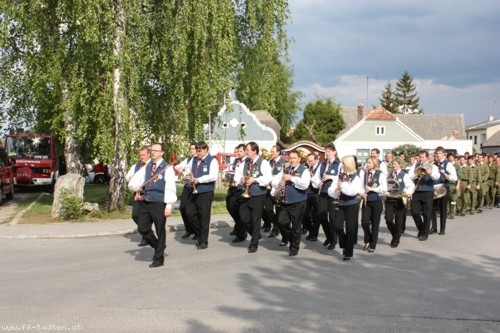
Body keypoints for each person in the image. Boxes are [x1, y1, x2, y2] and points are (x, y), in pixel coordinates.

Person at [130, 143, 177, 268]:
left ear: (162, 153)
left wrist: (168, 206)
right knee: (142, 228)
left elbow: (170, 187)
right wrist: (134, 187)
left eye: (156, 150)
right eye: (152, 150)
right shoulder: (148, 166)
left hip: (159, 203)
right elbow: (136, 178)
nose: (153, 152)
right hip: (146, 201)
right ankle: (158, 246)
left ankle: (159, 258)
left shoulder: (167, 168)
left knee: (160, 229)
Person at [236, 141, 272, 253]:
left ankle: (254, 243)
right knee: (243, 216)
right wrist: (242, 180)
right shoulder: (246, 162)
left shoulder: (264, 163)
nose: (246, 152)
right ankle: (256, 235)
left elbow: (268, 179)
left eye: (247, 150)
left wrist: (255, 180)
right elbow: (240, 176)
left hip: (258, 194)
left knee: (255, 219)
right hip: (246, 193)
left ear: (254, 151)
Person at [272, 150, 310, 256]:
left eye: (294, 158)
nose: (292, 160)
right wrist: (280, 184)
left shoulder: (304, 170)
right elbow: (276, 183)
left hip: (298, 201)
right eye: (290, 158)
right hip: (285, 200)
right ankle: (291, 239)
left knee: (296, 226)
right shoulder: (286, 169)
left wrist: (292, 178)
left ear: (299, 159)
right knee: (281, 221)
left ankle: (294, 247)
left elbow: (305, 185)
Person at [184, 141, 219, 250]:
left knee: (204, 216)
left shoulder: (212, 160)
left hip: (205, 192)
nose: (197, 153)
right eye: (197, 151)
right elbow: (187, 170)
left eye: (199, 151)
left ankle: (204, 241)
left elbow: (213, 176)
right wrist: (187, 176)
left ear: (205, 150)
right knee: (189, 212)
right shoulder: (194, 160)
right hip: (193, 190)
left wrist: (199, 180)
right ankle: (199, 232)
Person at [329, 155, 363, 261]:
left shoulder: (356, 177)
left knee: (350, 228)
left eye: (343, 163)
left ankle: (348, 252)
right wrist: (336, 191)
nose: (342, 165)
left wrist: (342, 185)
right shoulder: (339, 176)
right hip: (341, 204)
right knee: (337, 225)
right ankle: (344, 244)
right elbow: (331, 190)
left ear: (348, 164)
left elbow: (352, 191)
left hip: (351, 205)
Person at [311, 143, 341, 250]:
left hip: (332, 193)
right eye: (326, 151)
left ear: (334, 152)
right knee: (321, 215)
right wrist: (318, 182)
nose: (327, 153)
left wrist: (330, 177)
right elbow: (317, 176)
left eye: (329, 151)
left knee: (332, 218)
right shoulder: (323, 164)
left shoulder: (339, 164)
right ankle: (329, 236)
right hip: (323, 192)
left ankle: (333, 240)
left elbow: (340, 177)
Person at [408, 150, 440, 241]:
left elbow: (437, 177)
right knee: (414, 212)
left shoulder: (433, 166)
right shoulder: (415, 165)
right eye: (420, 157)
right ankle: (421, 228)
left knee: (427, 214)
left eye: (423, 157)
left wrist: (430, 173)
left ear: (427, 157)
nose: (421, 159)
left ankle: (425, 233)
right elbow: (410, 176)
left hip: (427, 192)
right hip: (417, 191)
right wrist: (415, 175)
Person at [385, 157, 415, 248]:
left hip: (399, 200)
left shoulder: (404, 175)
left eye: (395, 164)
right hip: (390, 199)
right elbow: (386, 185)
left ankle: (396, 240)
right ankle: (395, 234)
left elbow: (411, 186)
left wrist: (407, 192)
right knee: (388, 219)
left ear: (400, 165)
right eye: (393, 164)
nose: (393, 166)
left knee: (399, 221)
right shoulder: (390, 174)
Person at [359, 156, 387, 253]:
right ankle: (368, 239)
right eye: (367, 162)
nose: (367, 164)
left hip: (376, 201)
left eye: (369, 162)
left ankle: (373, 244)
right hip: (367, 200)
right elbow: (361, 185)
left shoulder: (381, 174)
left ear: (374, 163)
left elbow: (384, 189)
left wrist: (373, 189)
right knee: (364, 222)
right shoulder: (364, 174)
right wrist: (362, 192)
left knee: (375, 224)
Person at [124, 145, 150, 247]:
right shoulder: (136, 166)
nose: (142, 157)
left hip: (148, 193)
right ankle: (146, 232)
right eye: (140, 155)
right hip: (137, 193)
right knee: (135, 215)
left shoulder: (152, 166)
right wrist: (130, 177)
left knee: (146, 216)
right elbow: (127, 177)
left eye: (144, 155)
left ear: (148, 154)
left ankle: (146, 236)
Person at [430, 146, 457, 236]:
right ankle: (434, 227)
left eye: (440, 153)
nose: (438, 155)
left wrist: (447, 176)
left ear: (444, 154)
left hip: (443, 187)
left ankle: (442, 229)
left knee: (442, 208)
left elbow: (455, 178)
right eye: (437, 154)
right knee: (432, 208)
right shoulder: (434, 164)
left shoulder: (448, 164)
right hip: (434, 187)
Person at [175, 142, 197, 239]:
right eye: (190, 149)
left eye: (193, 148)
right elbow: (177, 166)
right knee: (182, 207)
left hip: (195, 186)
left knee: (192, 211)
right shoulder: (188, 159)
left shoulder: (198, 160)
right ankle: (189, 229)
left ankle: (197, 230)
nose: (191, 150)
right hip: (187, 186)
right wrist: (181, 169)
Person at [227, 144, 248, 243]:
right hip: (233, 188)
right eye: (237, 151)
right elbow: (231, 171)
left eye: (240, 151)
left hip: (242, 189)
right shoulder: (235, 161)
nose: (238, 153)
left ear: (245, 151)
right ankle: (239, 227)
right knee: (231, 207)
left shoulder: (248, 161)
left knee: (240, 212)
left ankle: (241, 234)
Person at [262, 145, 283, 237]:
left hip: (278, 189)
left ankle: (275, 229)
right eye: (271, 151)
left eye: (273, 152)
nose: (271, 153)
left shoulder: (283, 162)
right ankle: (276, 224)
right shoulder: (268, 162)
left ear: (278, 152)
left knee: (278, 210)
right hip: (268, 189)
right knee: (268, 209)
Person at [303, 153, 321, 241]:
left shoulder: (320, 167)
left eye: (311, 161)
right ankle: (310, 230)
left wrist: (312, 176)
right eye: (308, 161)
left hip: (316, 193)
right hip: (307, 192)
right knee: (305, 213)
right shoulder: (308, 168)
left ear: (316, 159)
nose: (310, 162)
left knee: (316, 215)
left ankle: (314, 234)